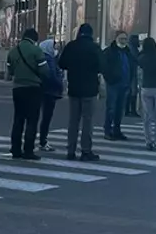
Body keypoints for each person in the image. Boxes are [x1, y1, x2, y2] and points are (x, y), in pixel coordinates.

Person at [58, 23, 102, 161]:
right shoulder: (94, 47)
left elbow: (61, 63)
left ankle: (70, 151)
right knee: (87, 121)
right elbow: (102, 66)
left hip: (74, 88)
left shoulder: (71, 46)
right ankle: (86, 150)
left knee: (73, 121)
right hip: (90, 89)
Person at [7, 27, 48, 161]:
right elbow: (44, 71)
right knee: (32, 120)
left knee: (18, 119)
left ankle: (15, 149)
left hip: (17, 88)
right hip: (33, 88)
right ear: (34, 39)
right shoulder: (37, 51)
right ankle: (28, 150)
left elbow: (10, 71)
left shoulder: (13, 51)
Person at [101, 31, 133, 141]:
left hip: (125, 83)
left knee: (120, 109)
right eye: (121, 38)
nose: (124, 40)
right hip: (113, 84)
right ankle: (108, 130)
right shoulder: (109, 51)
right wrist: (110, 78)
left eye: (125, 38)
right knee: (111, 108)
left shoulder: (128, 52)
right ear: (116, 39)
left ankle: (117, 130)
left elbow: (131, 65)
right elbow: (104, 67)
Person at [36, 38, 64, 154]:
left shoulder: (40, 56)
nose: (56, 49)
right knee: (46, 118)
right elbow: (52, 75)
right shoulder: (48, 59)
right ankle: (43, 141)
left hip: (40, 90)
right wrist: (60, 85)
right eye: (54, 47)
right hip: (49, 92)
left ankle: (37, 140)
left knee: (36, 116)